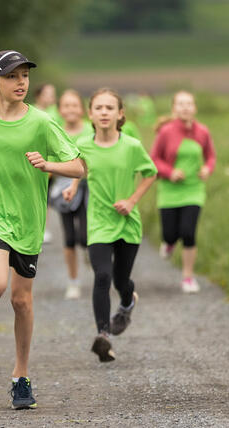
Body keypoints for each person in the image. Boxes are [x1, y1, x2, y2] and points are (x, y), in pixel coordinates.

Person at [0, 50, 85, 410]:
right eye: (12, 77)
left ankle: (21, 376)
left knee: (21, 300)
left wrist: (49, 164)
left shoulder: (42, 122)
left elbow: (78, 167)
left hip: (28, 220)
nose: (21, 82)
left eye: (25, 76)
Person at [65, 88, 157, 362]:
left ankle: (128, 302)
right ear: (90, 114)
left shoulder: (131, 146)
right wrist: (71, 188)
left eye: (110, 108)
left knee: (120, 280)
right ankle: (103, 336)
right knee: (102, 276)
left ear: (120, 114)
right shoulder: (83, 143)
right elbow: (79, 169)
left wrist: (132, 200)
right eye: (99, 108)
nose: (104, 112)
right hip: (99, 222)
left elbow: (151, 173)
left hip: (127, 223)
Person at [150, 91, 216, 293]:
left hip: (194, 190)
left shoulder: (203, 132)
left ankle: (188, 277)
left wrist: (206, 169)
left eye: (189, 104)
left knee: (188, 233)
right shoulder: (166, 132)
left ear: (195, 108)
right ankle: (169, 244)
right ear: (174, 109)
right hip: (169, 191)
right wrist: (170, 172)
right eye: (181, 104)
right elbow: (153, 159)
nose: (185, 107)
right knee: (170, 234)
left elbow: (211, 157)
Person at [48, 89, 93, 300]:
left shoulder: (90, 131)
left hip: (90, 187)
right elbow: (49, 162)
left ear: (82, 109)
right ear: (60, 110)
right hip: (63, 190)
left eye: (74, 105)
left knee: (84, 237)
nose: (70, 109)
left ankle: (88, 252)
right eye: (66, 105)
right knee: (69, 238)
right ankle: (73, 281)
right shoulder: (56, 132)